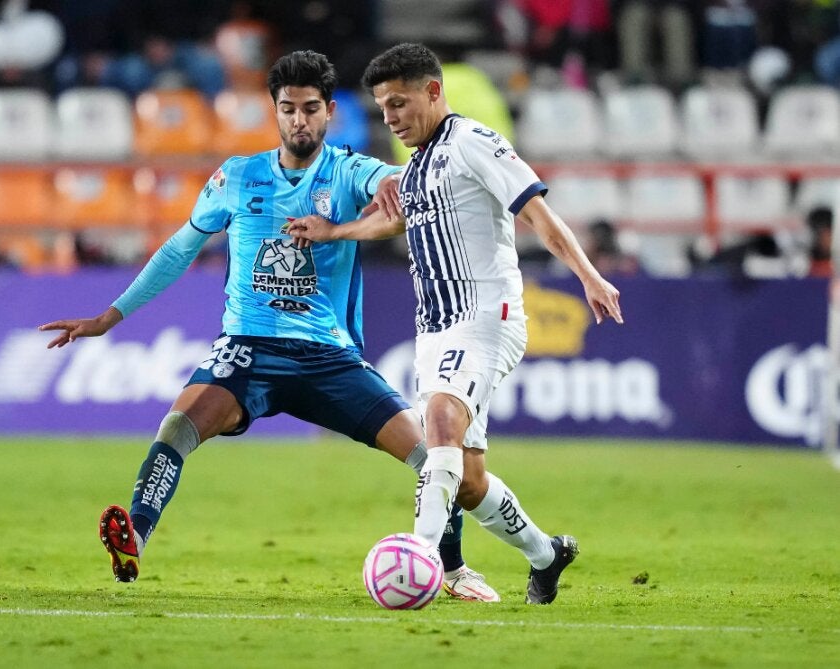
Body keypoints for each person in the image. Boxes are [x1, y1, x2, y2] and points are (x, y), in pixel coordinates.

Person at [39, 50, 500, 602]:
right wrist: (108, 318)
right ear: (274, 112)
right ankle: (135, 535)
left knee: (431, 455)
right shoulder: (236, 177)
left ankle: (451, 569)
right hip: (247, 349)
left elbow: (396, 190)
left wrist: (390, 187)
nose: (299, 121)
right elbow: (178, 249)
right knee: (176, 430)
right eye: (288, 109)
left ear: (329, 111)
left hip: (329, 358)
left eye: (310, 109)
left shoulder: (351, 171)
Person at [287, 43, 624, 605]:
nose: (390, 118)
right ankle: (547, 554)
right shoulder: (416, 166)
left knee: (438, 422)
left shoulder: (473, 142)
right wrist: (334, 231)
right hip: (436, 328)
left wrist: (589, 275)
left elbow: (535, 210)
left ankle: (421, 562)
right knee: (466, 481)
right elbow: (394, 224)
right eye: (383, 107)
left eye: (399, 103)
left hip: (487, 316)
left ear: (434, 92)